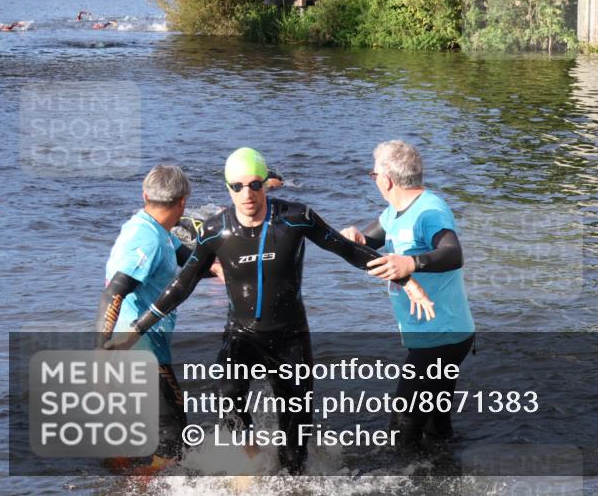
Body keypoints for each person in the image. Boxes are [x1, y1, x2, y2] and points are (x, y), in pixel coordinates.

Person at [109, 147, 436, 474]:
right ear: (228, 189)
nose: (247, 194)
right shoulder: (214, 231)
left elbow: (346, 248)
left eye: (254, 185)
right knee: (226, 393)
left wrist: (406, 280)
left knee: (295, 448)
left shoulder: (295, 218)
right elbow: (182, 285)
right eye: (237, 187)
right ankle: (250, 460)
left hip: (290, 337)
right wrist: (136, 330)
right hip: (242, 335)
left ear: (266, 183)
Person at [341, 140, 475, 448]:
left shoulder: (429, 211)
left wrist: (410, 262)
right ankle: (447, 476)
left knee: (401, 430)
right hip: (443, 334)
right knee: (436, 426)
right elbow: (368, 242)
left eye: (373, 175)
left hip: (441, 337)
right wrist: (354, 237)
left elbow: (453, 254)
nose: (374, 180)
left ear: (386, 180)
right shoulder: (395, 212)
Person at [96, 166, 218, 472]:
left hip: (138, 347)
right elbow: (113, 293)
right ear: (183, 203)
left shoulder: (155, 230)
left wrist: (219, 267)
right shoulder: (145, 239)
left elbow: (186, 259)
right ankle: (138, 487)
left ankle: (116, 482)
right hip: (135, 348)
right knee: (174, 442)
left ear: (145, 193)